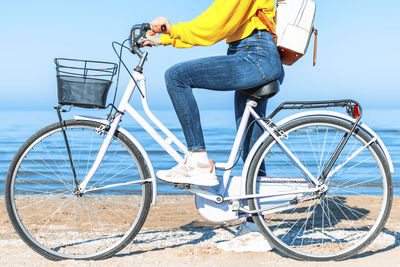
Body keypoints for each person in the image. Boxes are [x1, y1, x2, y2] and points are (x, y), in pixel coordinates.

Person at [145, 0, 284, 187]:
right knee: (251, 148)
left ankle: (198, 162)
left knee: (176, 76)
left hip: (255, 55)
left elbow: (216, 24)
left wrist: (172, 31)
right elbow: (223, 24)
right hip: (252, 55)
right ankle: (254, 211)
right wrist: (163, 39)